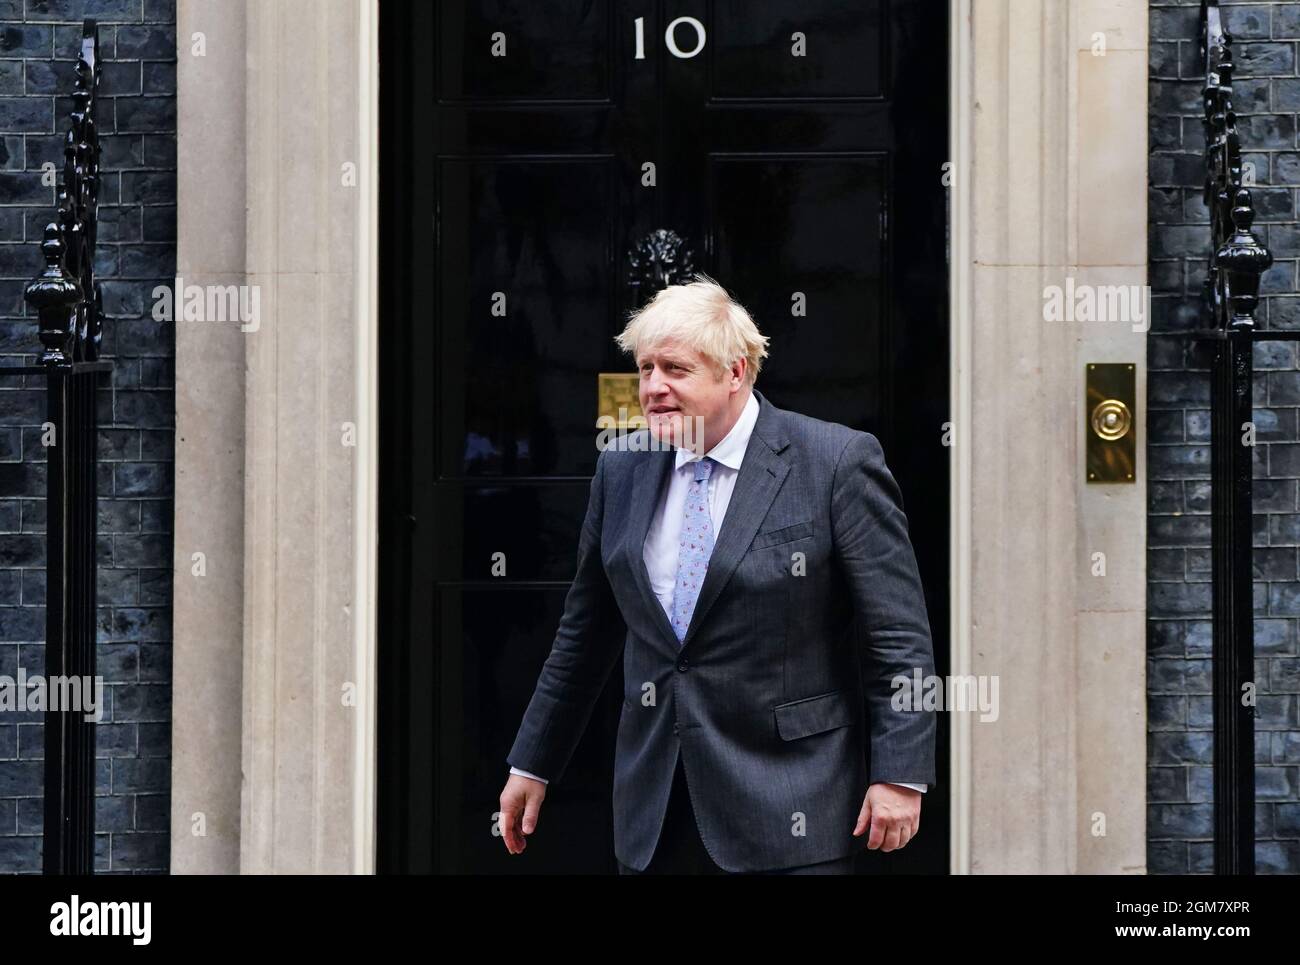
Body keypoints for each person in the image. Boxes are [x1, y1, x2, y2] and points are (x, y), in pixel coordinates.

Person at [499, 273, 937, 874]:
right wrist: (532, 763)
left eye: (674, 370)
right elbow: (584, 636)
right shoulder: (621, 469)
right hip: (655, 811)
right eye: (645, 368)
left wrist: (900, 773)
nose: (652, 387)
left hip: (792, 805)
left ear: (735, 373)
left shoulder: (835, 463)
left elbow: (899, 637)